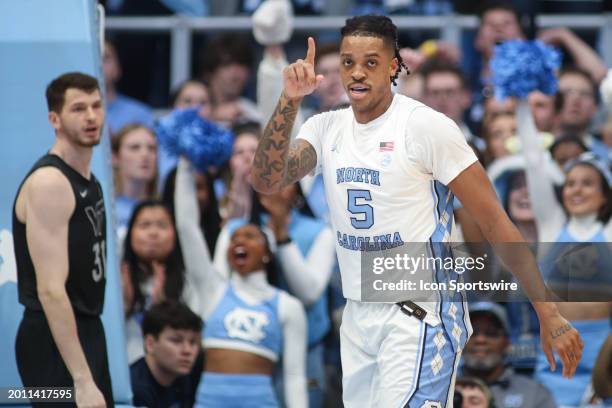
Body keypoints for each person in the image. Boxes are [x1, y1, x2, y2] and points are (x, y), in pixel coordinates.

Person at [251, 15, 583, 407]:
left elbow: (495, 221)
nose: (357, 73)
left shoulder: (427, 127)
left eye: (371, 62)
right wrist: (289, 99)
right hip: (358, 313)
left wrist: (549, 314)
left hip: (420, 312)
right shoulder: (326, 127)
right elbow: (267, 180)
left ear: (394, 66)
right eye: (347, 62)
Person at [175, 157, 308, 407]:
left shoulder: (288, 307)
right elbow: (186, 228)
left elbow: (294, 377)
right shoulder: (212, 290)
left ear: (267, 252)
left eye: (250, 236)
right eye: (234, 238)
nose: (239, 241)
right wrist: (185, 164)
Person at [12, 72, 111, 407]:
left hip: (84, 329)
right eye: (79, 108)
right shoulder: (50, 183)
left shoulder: (88, 180)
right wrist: (82, 380)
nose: (91, 117)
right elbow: (51, 290)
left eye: (96, 106)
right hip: (52, 340)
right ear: (54, 119)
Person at [462, 302, 556, 408]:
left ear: (507, 343)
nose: (480, 340)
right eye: (471, 333)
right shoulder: (443, 387)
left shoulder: (534, 394)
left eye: (491, 333)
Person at [130, 300, 203, 408]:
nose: (187, 350)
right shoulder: (134, 389)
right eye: (176, 340)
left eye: (193, 342)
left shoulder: (184, 377)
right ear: (150, 344)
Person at [111, 124, 158, 242]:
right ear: (115, 157)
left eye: (151, 148)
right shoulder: (105, 209)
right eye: (135, 147)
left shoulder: (166, 208)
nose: (145, 155)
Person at [103, 40, 154, 135]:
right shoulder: (69, 111)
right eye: (93, 58)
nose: (98, 64)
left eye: (105, 58)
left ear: (118, 68)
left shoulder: (139, 114)